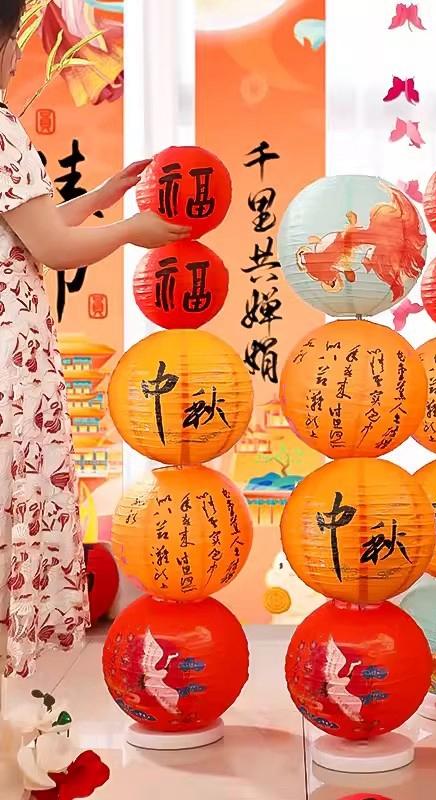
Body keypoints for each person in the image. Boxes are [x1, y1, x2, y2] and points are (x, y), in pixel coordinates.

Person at [0, 0, 190, 678]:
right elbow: (52, 248)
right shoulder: (2, 129)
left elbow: (32, 225)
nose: (17, 57)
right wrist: (132, 230)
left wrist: (106, 194)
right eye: (12, 41)